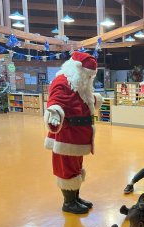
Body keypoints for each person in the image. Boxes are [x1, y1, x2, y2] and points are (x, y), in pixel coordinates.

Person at [44, 51, 103, 214]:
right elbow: (54, 101)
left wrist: (95, 99)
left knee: (76, 167)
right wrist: (54, 113)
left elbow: (79, 102)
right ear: (78, 69)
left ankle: (75, 197)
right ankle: (68, 202)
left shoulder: (80, 83)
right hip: (67, 136)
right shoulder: (62, 81)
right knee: (66, 169)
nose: (90, 79)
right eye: (88, 75)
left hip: (78, 136)